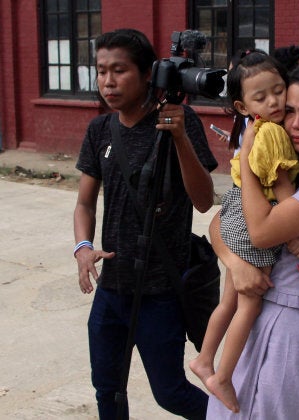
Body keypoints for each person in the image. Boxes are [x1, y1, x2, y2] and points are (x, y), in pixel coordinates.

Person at [73, 28, 217, 419]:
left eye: (119, 70)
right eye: (101, 71)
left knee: (170, 393)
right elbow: (85, 203)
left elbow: (204, 201)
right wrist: (82, 247)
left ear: (146, 74)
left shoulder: (180, 120)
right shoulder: (99, 130)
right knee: (107, 389)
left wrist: (180, 138)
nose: (108, 81)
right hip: (112, 288)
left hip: (160, 290)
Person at [205, 61, 299, 419]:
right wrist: (235, 264)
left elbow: (259, 232)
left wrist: (246, 153)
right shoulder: (290, 164)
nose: (295, 123)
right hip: (251, 315)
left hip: (291, 324)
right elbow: (219, 223)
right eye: (289, 111)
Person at [189, 51, 299, 413]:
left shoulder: (252, 129)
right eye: (261, 97)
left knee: (229, 300)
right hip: (248, 215)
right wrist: (296, 230)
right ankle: (222, 375)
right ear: (241, 105)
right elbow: (282, 184)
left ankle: (204, 359)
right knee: (249, 302)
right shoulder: (272, 133)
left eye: (278, 90)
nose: (274, 101)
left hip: (235, 211)